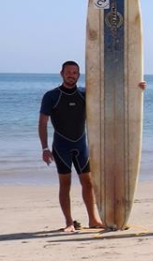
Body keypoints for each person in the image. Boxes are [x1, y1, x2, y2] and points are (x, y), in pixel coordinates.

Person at [38, 61, 146, 233]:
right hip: (61, 146)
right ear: (61, 73)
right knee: (65, 184)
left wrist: (135, 87)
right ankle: (68, 222)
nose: (71, 75)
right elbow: (43, 123)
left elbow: (111, 96)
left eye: (74, 72)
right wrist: (44, 149)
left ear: (78, 75)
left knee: (88, 184)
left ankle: (93, 219)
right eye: (68, 72)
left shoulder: (85, 94)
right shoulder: (51, 96)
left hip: (81, 145)